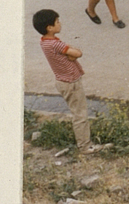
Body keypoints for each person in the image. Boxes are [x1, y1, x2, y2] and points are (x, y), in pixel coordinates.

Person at [33, 9, 103, 155]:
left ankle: (84, 141)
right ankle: (85, 146)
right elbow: (78, 53)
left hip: (63, 81)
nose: (60, 24)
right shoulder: (56, 44)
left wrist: (70, 54)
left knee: (78, 112)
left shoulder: (45, 42)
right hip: (71, 83)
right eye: (57, 21)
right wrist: (72, 54)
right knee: (80, 114)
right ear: (49, 27)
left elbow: (71, 52)